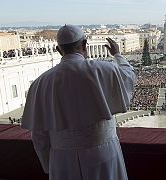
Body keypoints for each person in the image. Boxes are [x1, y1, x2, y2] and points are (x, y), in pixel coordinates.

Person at [21, 24, 135, 180]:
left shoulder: (40, 83)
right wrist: (118, 55)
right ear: (84, 45)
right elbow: (128, 77)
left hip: (62, 160)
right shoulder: (104, 69)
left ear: (58, 50)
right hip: (103, 155)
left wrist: (49, 164)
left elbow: (39, 134)